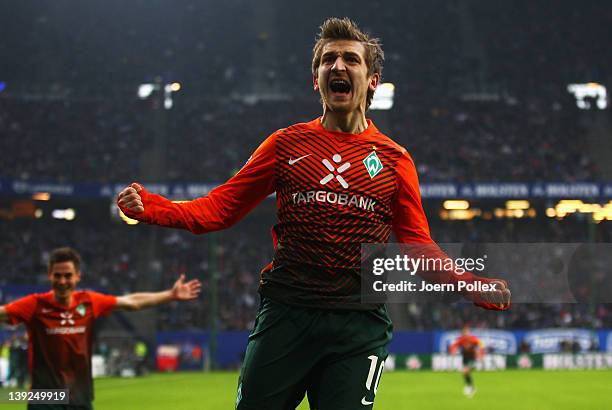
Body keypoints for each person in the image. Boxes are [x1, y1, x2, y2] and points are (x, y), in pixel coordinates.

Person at [117, 17, 510, 409]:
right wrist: (153, 207)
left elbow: (417, 246)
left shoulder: (394, 160)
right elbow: (220, 209)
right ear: (316, 78)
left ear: (372, 80)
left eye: (351, 60)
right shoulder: (285, 144)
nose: (338, 66)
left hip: (357, 325)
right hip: (287, 315)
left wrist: (470, 284)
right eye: (328, 59)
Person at [0, 246, 201, 410]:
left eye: (68, 275)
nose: (62, 281)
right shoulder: (35, 305)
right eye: (57, 275)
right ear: (49, 276)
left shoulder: (89, 301)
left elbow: (131, 302)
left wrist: (170, 295)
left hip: (79, 398)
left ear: (78, 276)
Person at [449, 325, 484, 397]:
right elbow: (453, 345)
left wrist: (481, 354)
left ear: (469, 332)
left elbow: (481, 344)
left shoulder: (473, 339)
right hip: (465, 358)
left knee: (465, 371)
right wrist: (453, 351)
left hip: (472, 358)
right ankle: (471, 387)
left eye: (467, 332)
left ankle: (470, 387)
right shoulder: (461, 340)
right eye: (464, 333)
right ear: (462, 333)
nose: (466, 334)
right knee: (464, 373)